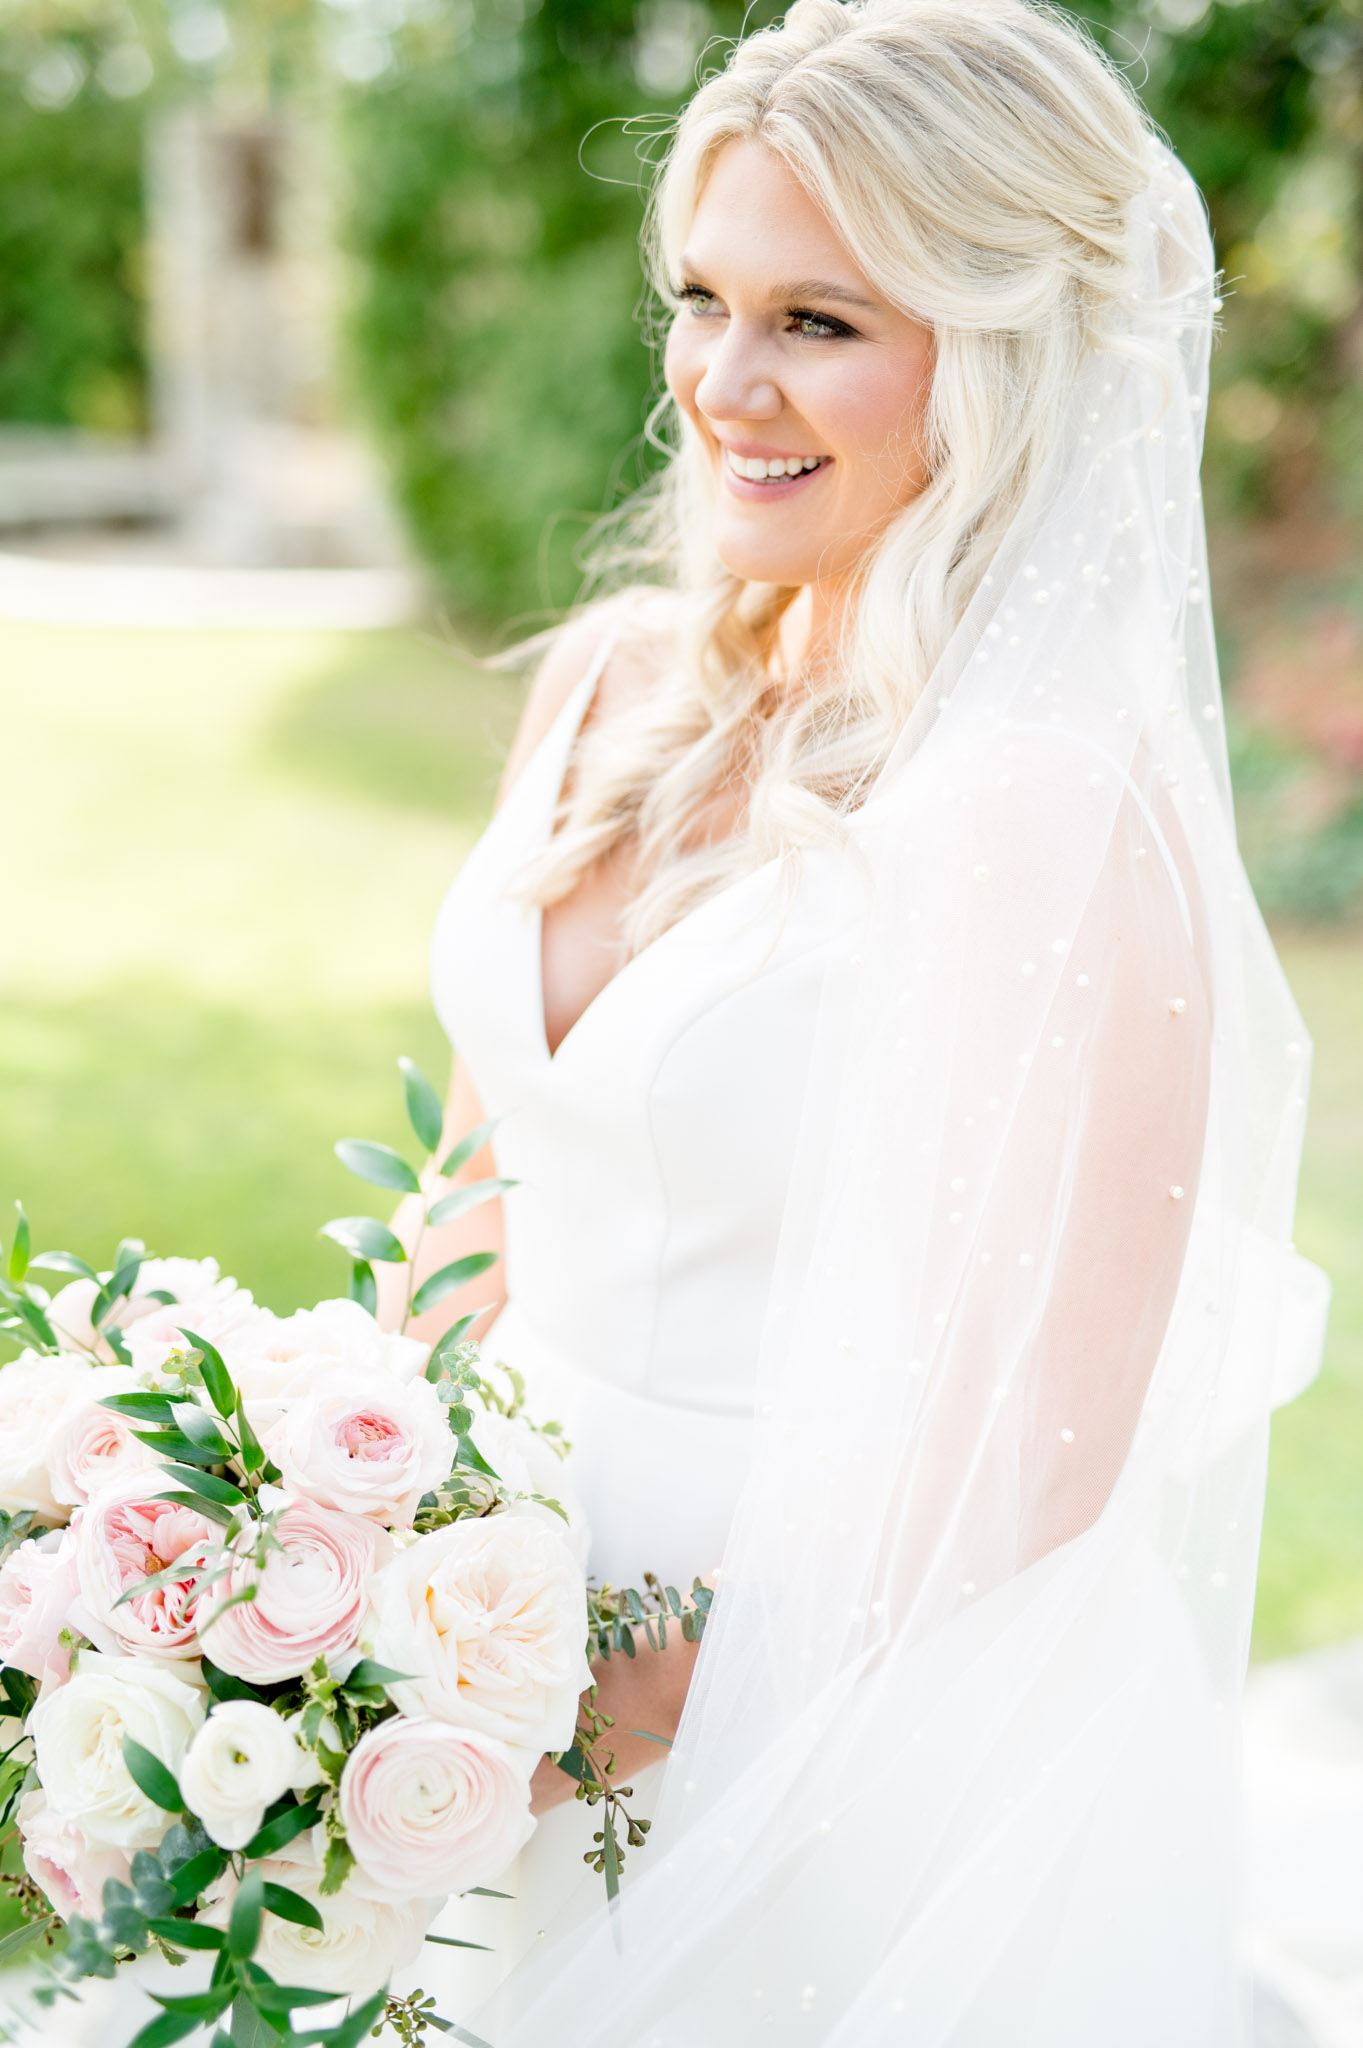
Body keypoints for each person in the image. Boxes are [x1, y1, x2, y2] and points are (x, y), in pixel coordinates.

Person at [385, 1, 1329, 2038]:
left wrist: (642, 1706)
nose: (725, 381)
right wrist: (365, 1527)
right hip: (482, 1629)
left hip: (846, 1714)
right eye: (704, 298)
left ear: (1001, 359)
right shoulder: (610, 680)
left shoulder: (1047, 809)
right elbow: (476, 1175)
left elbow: (1039, 1443)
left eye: (819, 319)